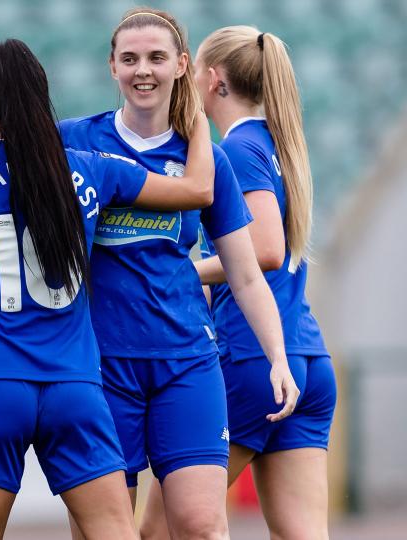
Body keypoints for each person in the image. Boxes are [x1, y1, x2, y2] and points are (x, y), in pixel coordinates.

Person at [0, 38, 221, 540]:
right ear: (42, 98)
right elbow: (198, 190)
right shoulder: (94, 168)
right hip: (74, 387)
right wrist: (198, 122)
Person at [55, 8, 300, 539]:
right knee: (104, 529)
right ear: (112, 67)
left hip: (185, 363)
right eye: (130, 59)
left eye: (157, 58)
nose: (144, 70)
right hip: (98, 366)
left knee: (199, 525)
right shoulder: (72, 141)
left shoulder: (208, 160)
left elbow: (247, 274)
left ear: (183, 65)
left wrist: (278, 357)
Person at [141, 27, 335, 540]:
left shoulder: (239, 148)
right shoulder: (275, 140)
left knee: (159, 529)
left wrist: (179, 271)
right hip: (305, 358)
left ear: (213, 79)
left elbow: (266, 249)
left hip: (250, 359)